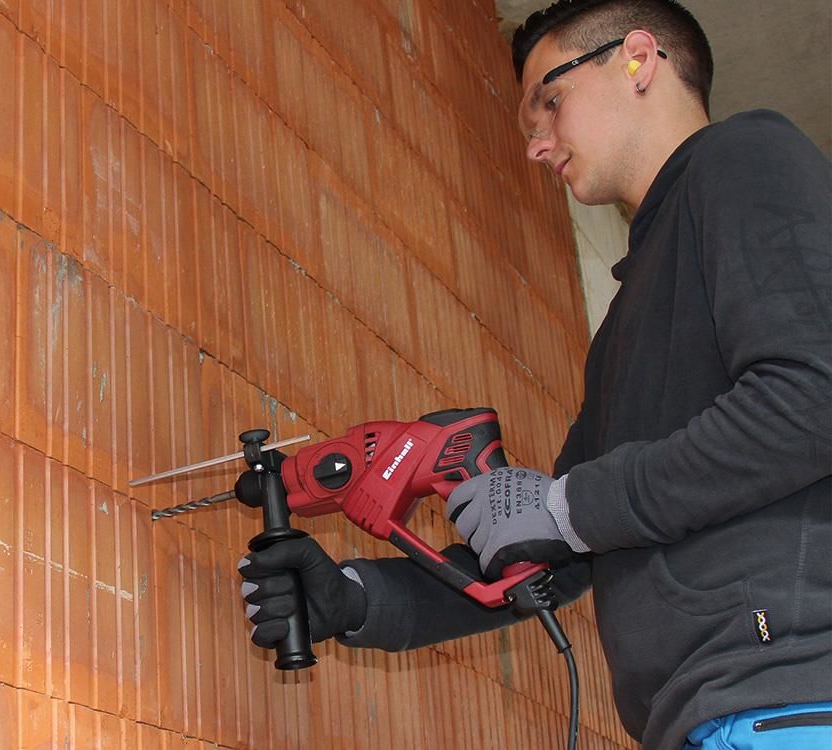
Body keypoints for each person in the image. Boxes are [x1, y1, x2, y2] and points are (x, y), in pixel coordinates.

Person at [237, 1, 832, 748]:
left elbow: (814, 399)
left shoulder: (745, 156)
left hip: (793, 697)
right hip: (705, 719)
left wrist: (569, 505)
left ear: (638, 59)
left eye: (550, 101)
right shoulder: (623, 328)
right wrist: (357, 600)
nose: (537, 145)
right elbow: (554, 556)